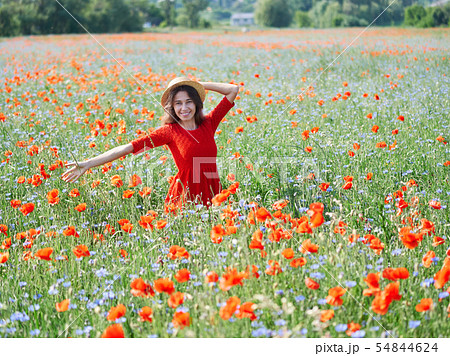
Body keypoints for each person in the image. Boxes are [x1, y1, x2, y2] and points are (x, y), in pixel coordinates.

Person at [62, 77, 239, 212]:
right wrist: (88, 163)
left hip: (213, 192)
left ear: (197, 103)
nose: (184, 108)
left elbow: (232, 89)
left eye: (188, 101)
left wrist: (198, 84)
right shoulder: (169, 132)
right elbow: (127, 148)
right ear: (171, 108)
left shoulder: (209, 123)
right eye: (178, 103)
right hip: (185, 199)